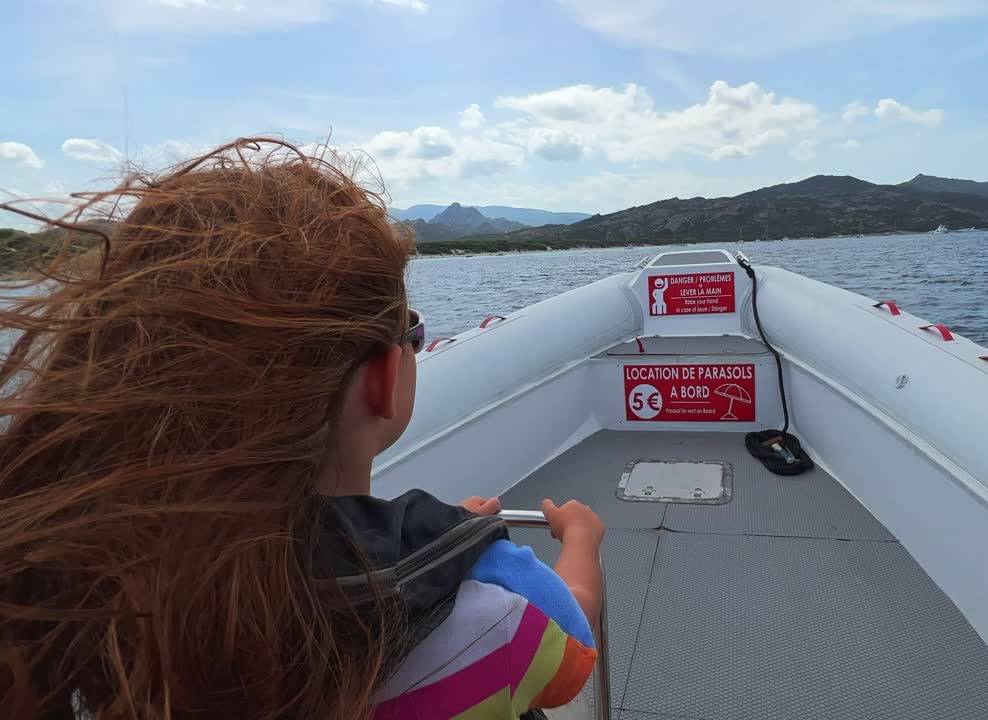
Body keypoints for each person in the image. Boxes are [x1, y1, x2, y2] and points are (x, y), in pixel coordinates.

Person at [0, 138, 606, 720]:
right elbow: (571, 652)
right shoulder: (491, 595)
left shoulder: (101, 597)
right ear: (382, 378)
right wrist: (579, 542)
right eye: (411, 331)